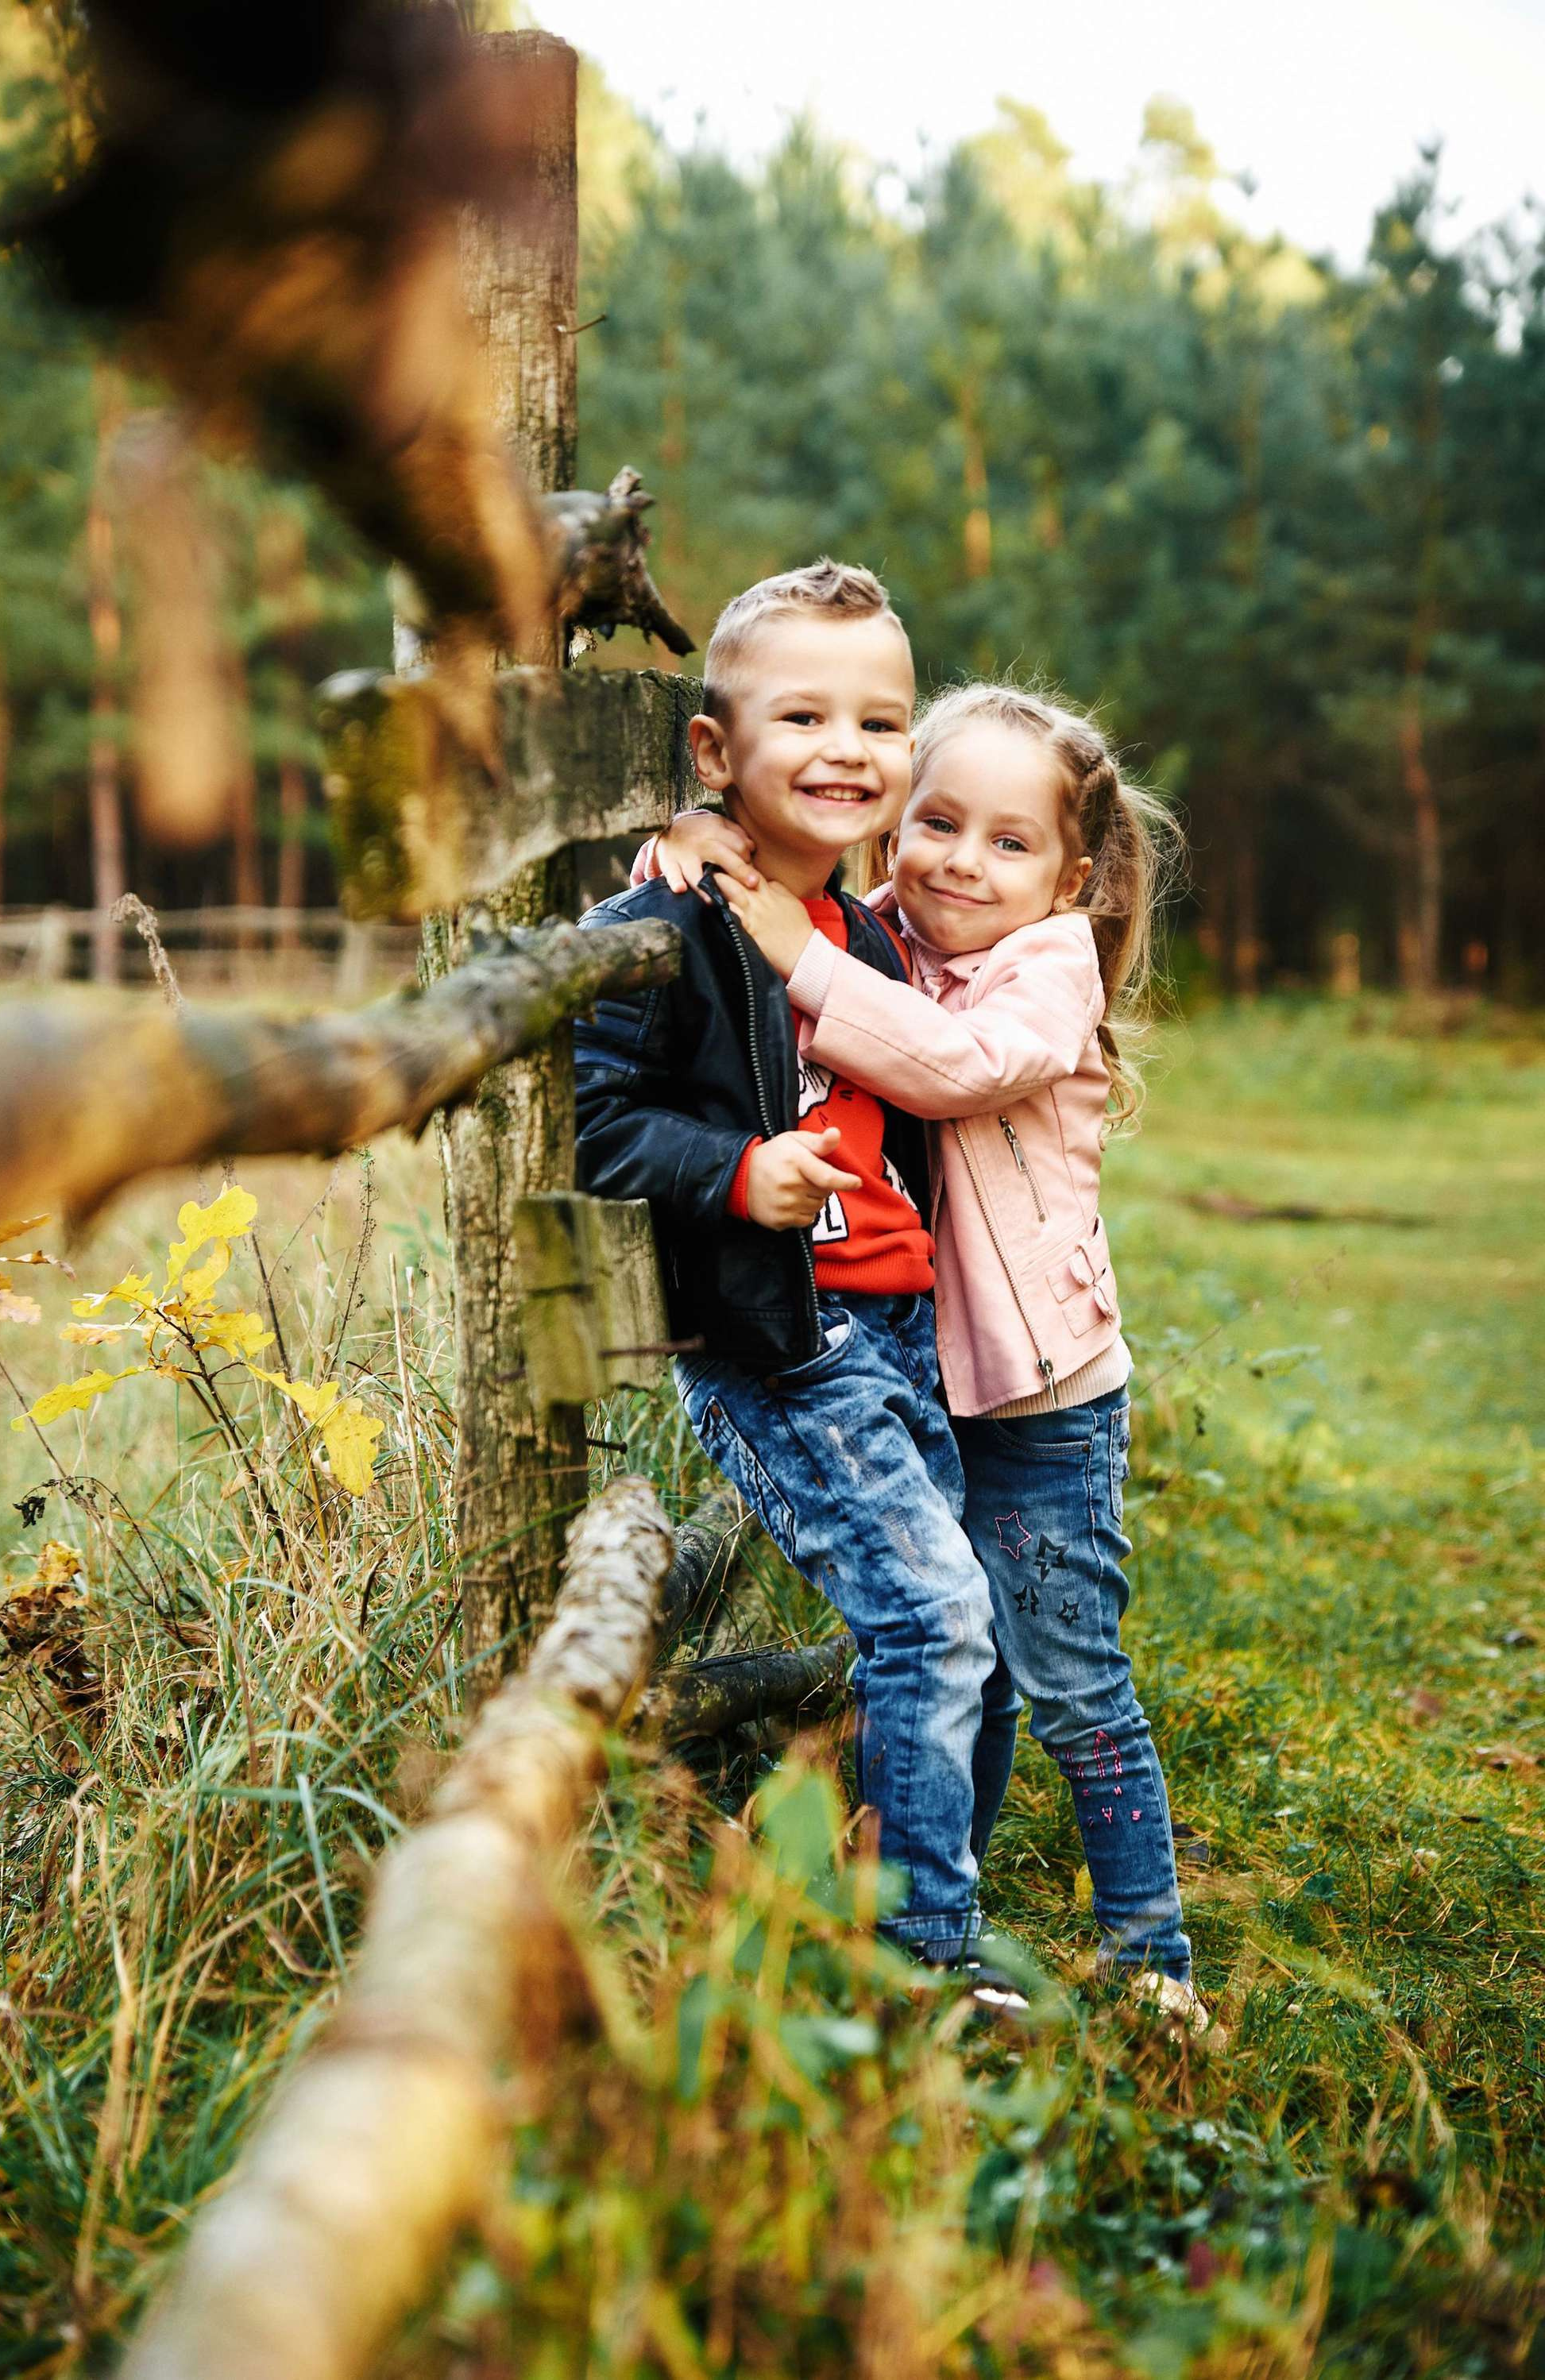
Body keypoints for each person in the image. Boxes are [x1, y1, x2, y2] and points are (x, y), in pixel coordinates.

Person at [641, 681, 1208, 2032]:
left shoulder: (1049, 969)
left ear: (1070, 876)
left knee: (1070, 1679)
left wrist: (801, 957)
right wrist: (695, 843)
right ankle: (937, 1913)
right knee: (969, 1654)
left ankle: (1154, 1960)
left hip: (1049, 1398)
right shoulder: (883, 930)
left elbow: (949, 1064)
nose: (962, 859)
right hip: (932, 1368)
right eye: (937, 821)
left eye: (1009, 843)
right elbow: (791, 891)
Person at [574, 563, 1023, 2005]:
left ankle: (890, 1884)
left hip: (898, 1332)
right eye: (804, 717)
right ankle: (917, 1970)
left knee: (968, 1627)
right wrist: (731, 1172)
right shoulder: (666, 928)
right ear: (716, 750)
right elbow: (593, 1122)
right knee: (932, 1620)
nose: (848, 750)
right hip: (780, 1347)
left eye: (881, 722)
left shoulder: (877, 926)